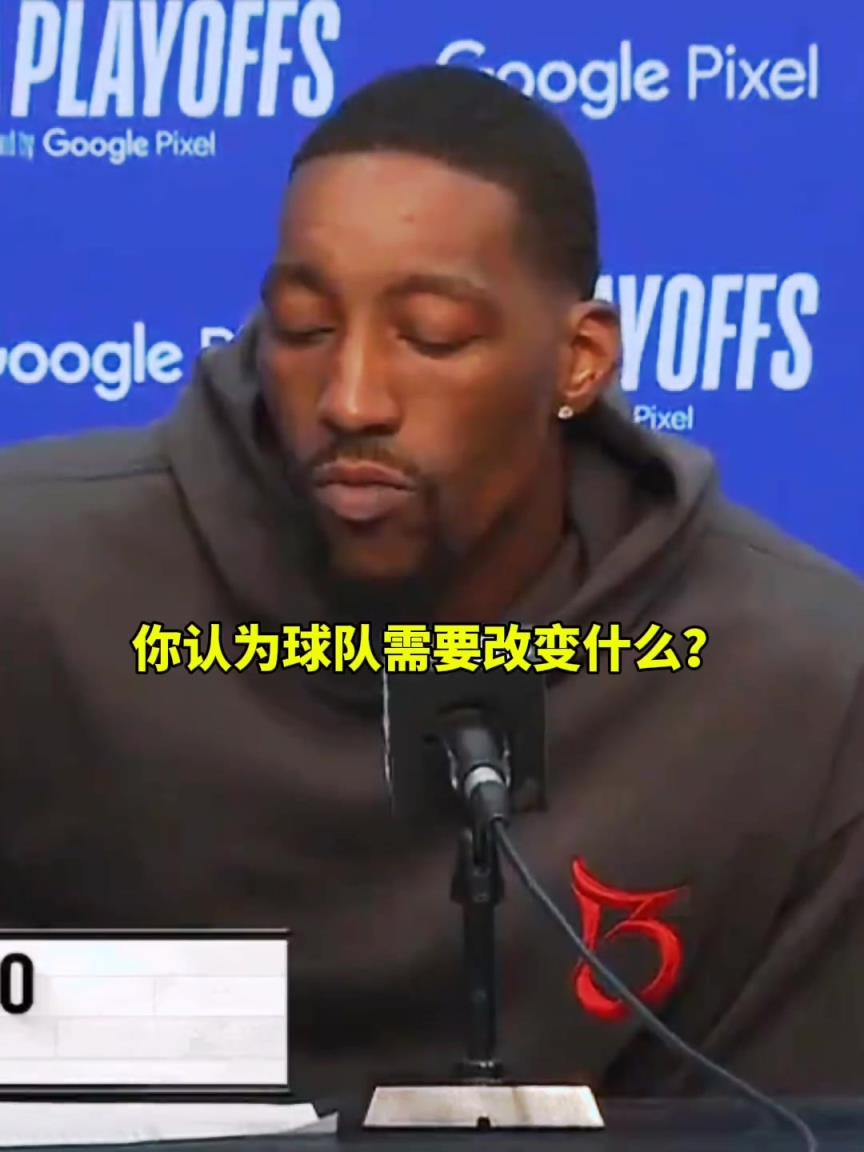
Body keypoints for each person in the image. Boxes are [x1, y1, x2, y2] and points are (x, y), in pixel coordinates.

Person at [1, 65, 863, 1107]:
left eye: (432, 336)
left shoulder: (801, 685)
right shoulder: (37, 589)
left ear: (580, 360)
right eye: (305, 330)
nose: (352, 397)